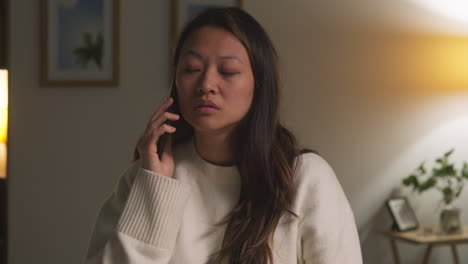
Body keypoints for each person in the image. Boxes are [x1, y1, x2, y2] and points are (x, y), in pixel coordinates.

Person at [84, 7, 362, 264]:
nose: (206, 84)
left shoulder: (305, 177)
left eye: (228, 71)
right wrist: (154, 190)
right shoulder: (148, 176)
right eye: (191, 70)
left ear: (259, 83)